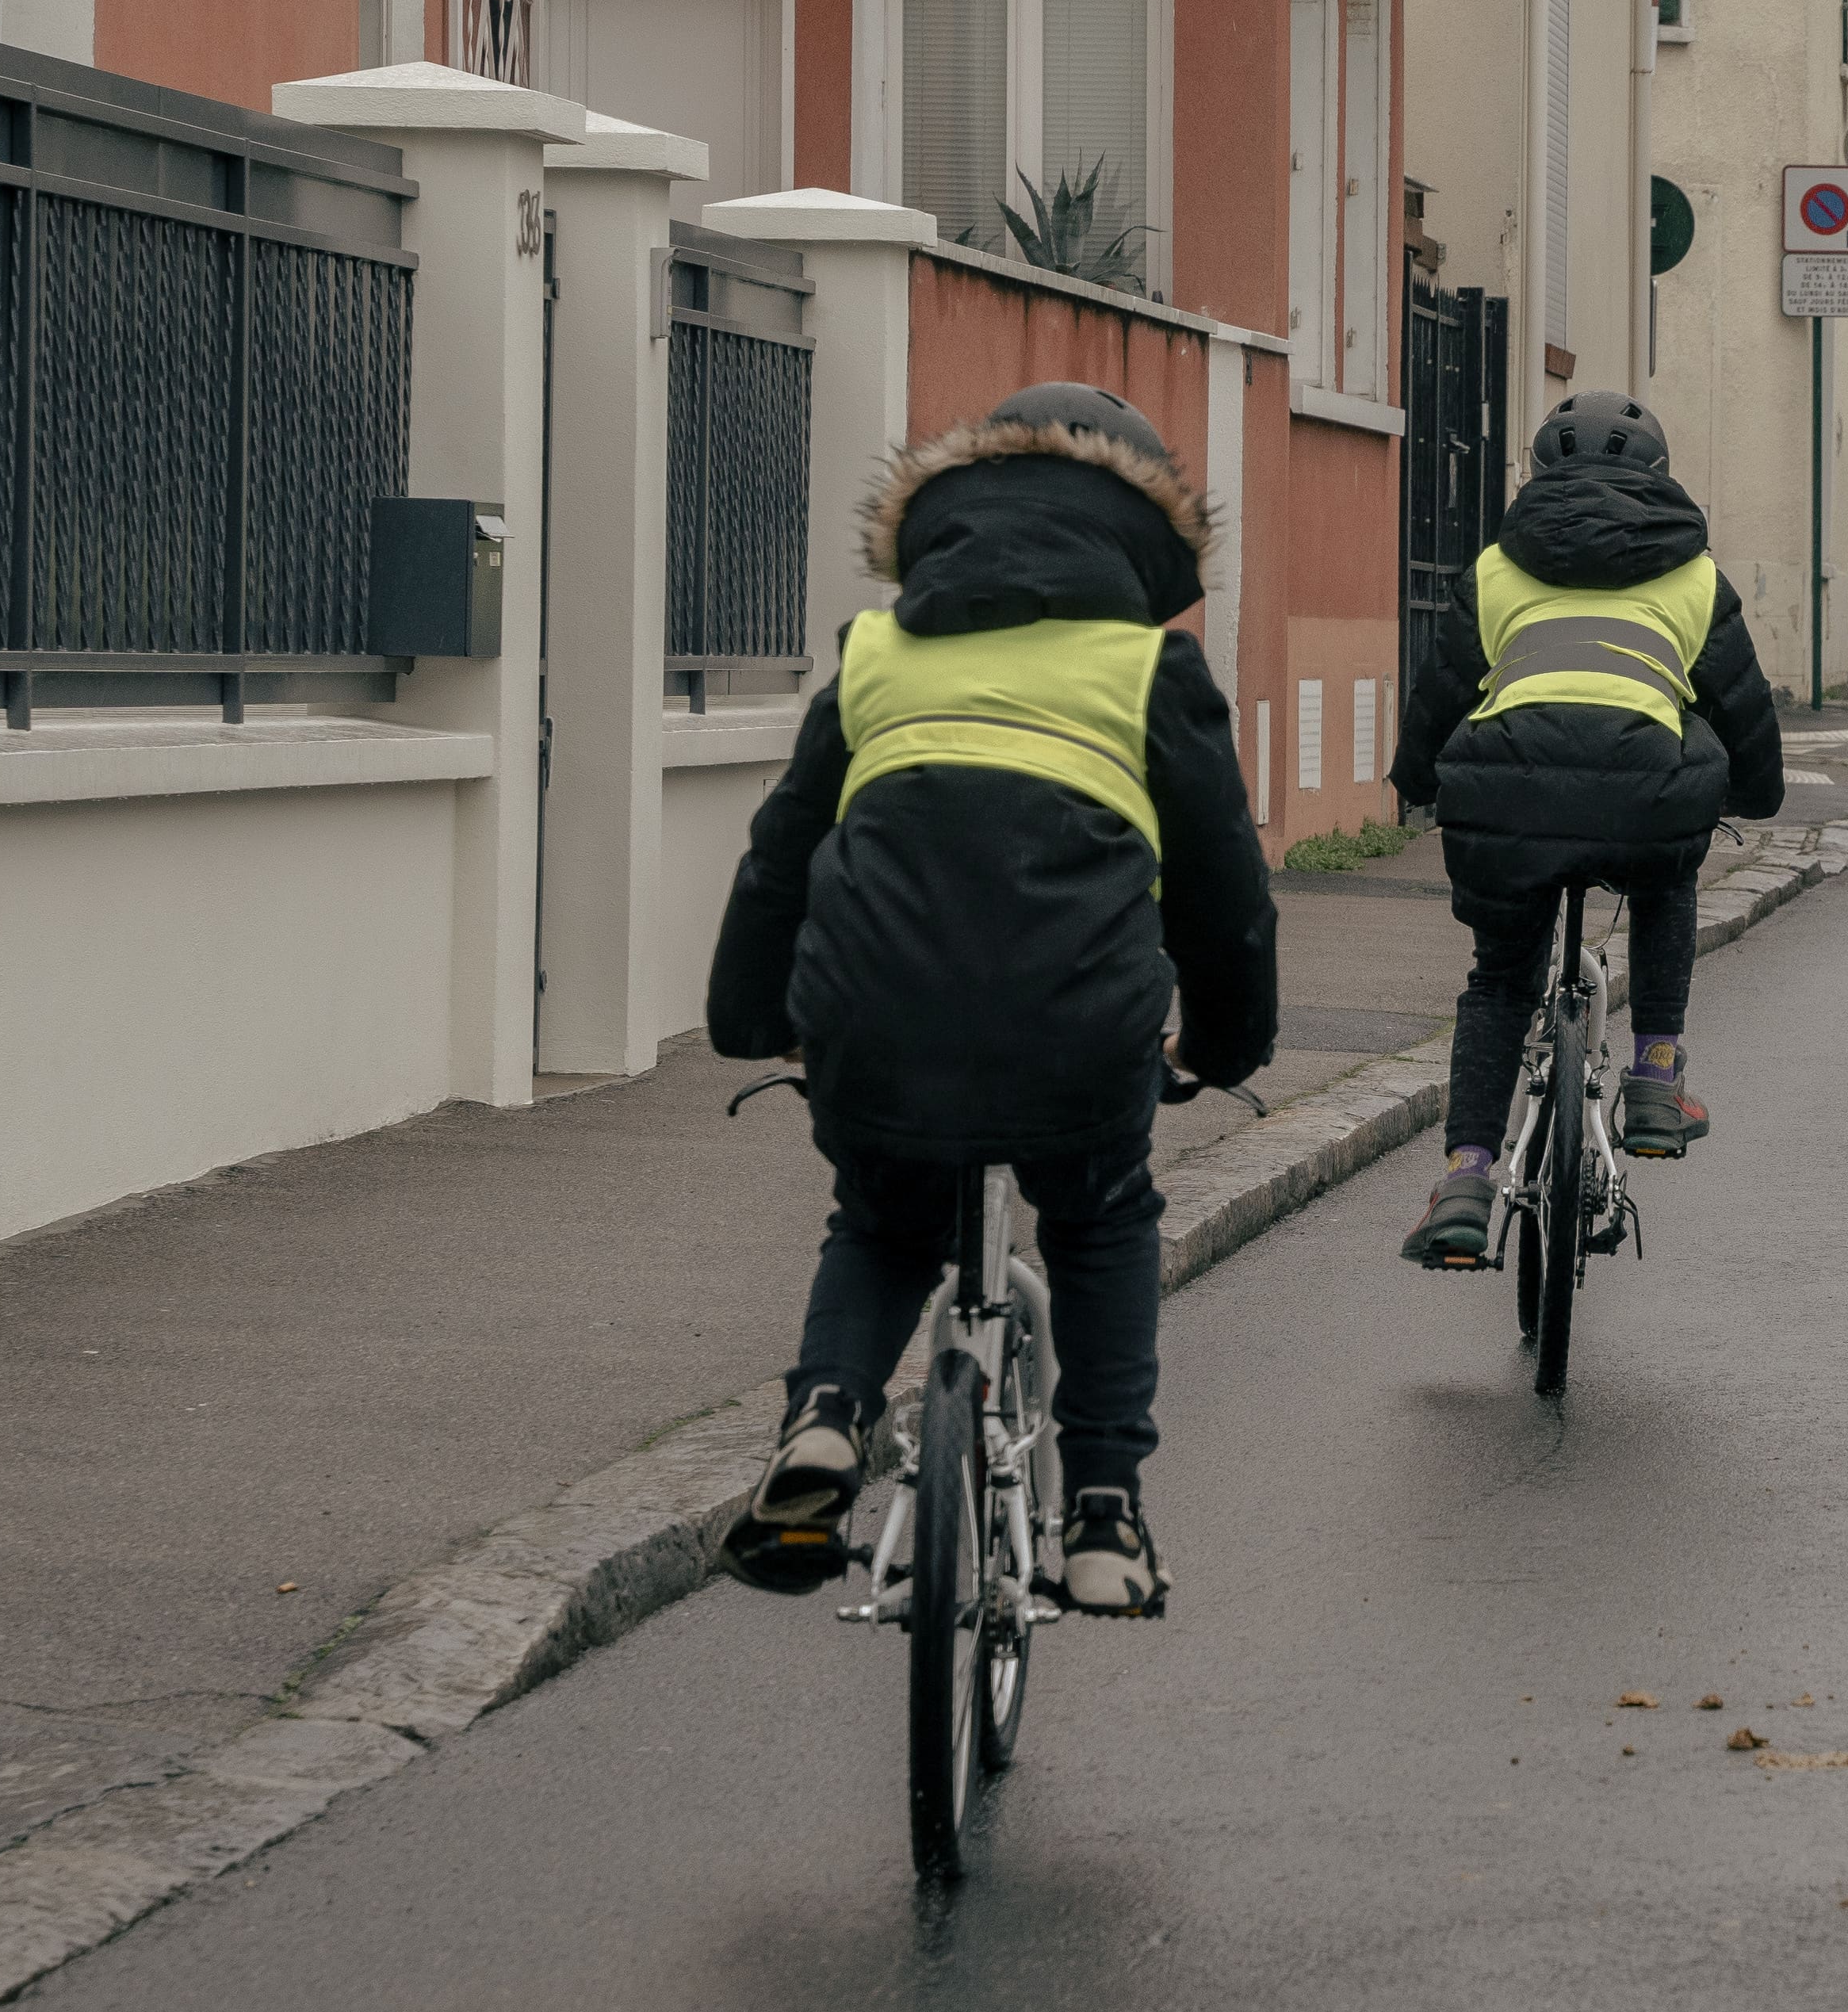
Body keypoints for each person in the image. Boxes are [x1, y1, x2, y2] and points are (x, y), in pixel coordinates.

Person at [706, 383, 1280, 1620]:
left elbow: (781, 853)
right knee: (1101, 1217)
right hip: (1076, 1033)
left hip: (874, 1013)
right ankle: (1105, 1515)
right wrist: (1227, 1043)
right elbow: (1224, 893)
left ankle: (825, 1421)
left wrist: (752, 1021)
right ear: (1139, 544)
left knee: (883, 1224)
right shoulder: (1146, 670)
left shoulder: (877, 654)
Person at [1393, 389, 1786, 1265]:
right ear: (1659, 477)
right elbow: (1743, 706)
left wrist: (1416, 783)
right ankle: (1655, 1075)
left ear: (1537, 476)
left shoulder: (1496, 570)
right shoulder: (1693, 574)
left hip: (1506, 794)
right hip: (1644, 795)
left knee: (1500, 979)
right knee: (1665, 875)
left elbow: (1441, 694)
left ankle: (1465, 1178)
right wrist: (1756, 793)